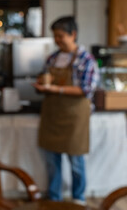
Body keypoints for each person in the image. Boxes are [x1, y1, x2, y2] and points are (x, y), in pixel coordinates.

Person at [32, 16, 99, 204]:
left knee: (76, 162)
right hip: (53, 115)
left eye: (61, 36)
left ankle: (79, 198)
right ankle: (55, 199)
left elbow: (86, 89)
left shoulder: (86, 60)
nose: (57, 40)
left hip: (74, 118)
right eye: (55, 36)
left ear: (73, 35)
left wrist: (55, 89)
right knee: (52, 162)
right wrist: (41, 84)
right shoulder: (52, 58)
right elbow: (46, 79)